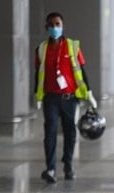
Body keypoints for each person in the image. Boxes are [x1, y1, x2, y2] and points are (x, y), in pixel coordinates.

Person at [34, 12, 98, 183]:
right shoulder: (41, 49)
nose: (55, 27)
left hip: (69, 98)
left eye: (58, 24)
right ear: (47, 27)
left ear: (62, 26)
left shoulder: (73, 47)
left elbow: (82, 71)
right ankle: (51, 168)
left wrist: (89, 93)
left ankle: (68, 164)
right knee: (50, 132)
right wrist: (37, 96)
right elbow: (38, 74)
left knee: (70, 131)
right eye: (52, 25)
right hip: (50, 98)